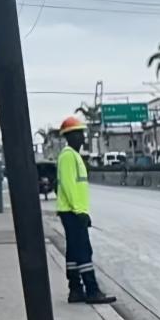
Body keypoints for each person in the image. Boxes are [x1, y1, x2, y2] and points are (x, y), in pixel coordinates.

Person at [56, 116, 116, 304]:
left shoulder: (73, 156)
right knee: (84, 251)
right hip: (73, 212)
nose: (83, 138)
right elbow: (68, 185)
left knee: (74, 251)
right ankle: (92, 290)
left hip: (72, 211)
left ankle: (75, 290)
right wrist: (79, 211)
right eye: (79, 134)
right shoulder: (68, 156)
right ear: (71, 136)